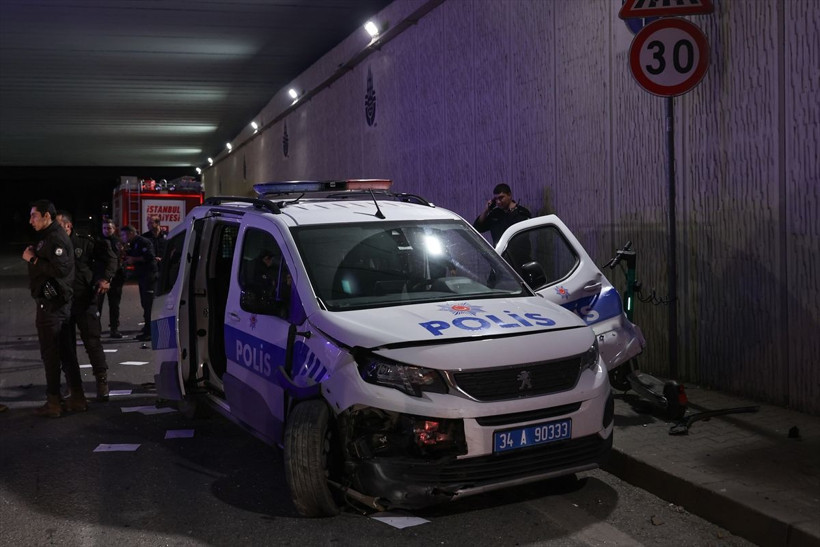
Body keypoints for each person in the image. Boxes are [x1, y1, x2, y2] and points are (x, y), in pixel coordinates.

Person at [23, 199, 83, 417]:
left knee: (51, 354)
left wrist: (33, 260)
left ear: (46, 215)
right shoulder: (49, 236)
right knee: (65, 352)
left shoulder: (55, 237)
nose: (31, 220)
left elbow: (60, 269)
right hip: (55, 304)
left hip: (52, 305)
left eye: (34, 216)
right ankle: (76, 398)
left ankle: (54, 402)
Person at [56, 211, 118, 401]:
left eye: (58, 225)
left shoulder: (86, 242)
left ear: (68, 226)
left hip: (84, 299)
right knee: (66, 346)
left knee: (92, 342)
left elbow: (111, 259)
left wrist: (106, 279)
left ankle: (101, 381)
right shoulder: (52, 245)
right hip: (62, 303)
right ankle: (73, 386)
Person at [473, 183, 532, 271]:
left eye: (501, 198)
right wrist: (486, 210)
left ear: (509, 195)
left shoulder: (522, 213)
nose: (498, 202)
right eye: (496, 199)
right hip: (501, 260)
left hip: (519, 261)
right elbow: (477, 227)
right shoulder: (495, 214)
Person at [121, 224, 157, 341]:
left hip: (149, 276)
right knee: (144, 303)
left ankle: (150, 332)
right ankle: (147, 328)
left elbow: (150, 257)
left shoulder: (143, 242)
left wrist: (134, 259)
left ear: (131, 233)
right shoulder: (132, 244)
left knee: (148, 304)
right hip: (142, 276)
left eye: (124, 235)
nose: (122, 237)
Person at [98, 219, 126, 338]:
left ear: (114, 229)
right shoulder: (98, 241)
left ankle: (114, 329)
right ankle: (96, 329)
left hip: (115, 278)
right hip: (101, 278)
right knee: (97, 305)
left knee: (114, 305)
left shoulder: (118, 242)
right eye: (104, 228)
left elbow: (119, 259)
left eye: (109, 228)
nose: (106, 230)